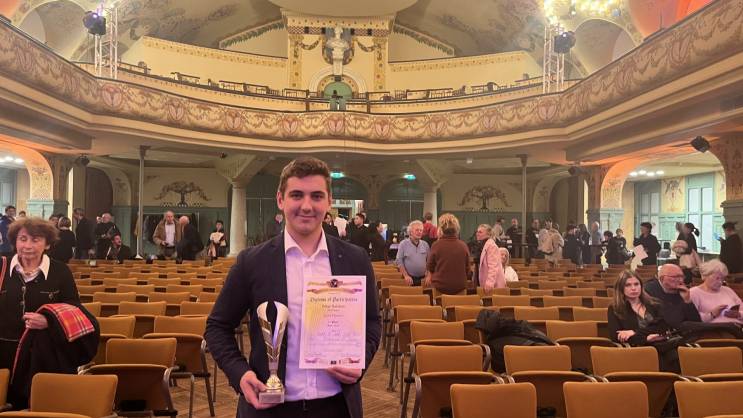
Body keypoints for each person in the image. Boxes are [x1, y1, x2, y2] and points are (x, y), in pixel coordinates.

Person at [204, 156, 380, 418]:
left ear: (329, 202)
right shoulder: (251, 262)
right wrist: (240, 374)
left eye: (317, 196)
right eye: (297, 195)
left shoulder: (355, 259)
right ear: (280, 200)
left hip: (337, 408)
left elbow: (372, 322)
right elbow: (217, 327)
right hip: (269, 409)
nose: (307, 206)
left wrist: (359, 361)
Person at [0, 217, 99, 408]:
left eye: (35, 239)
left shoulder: (61, 271)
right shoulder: (1, 267)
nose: (28, 245)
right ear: (15, 241)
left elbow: (74, 309)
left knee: (43, 406)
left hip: (45, 357)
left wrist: (49, 320)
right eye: (22, 239)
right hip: (3, 357)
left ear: (47, 244)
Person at [607, 270, 679, 373]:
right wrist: (646, 338)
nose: (633, 288)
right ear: (621, 288)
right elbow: (617, 336)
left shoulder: (654, 304)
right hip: (637, 349)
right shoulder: (615, 309)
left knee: (676, 358)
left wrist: (634, 332)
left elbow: (662, 326)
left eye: (636, 284)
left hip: (663, 345)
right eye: (628, 285)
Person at [644, 264, 701, 329]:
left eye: (682, 277)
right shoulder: (648, 291)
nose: (681, 280)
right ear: (662, 278)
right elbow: (670, 321)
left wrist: (687, 300)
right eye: (676, 277)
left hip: (683, 331)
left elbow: (696, 321)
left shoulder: (683, 291)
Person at [426, 213, 471, 295]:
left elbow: (430, 267)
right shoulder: (463, 245)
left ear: (441, 229)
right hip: (460, 287)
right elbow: (468, 269)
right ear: (456, 229)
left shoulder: (436, 245)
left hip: (440, 288)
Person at [689, 260, 742, 325]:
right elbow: (691, 319)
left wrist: (739, 314)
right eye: (717, 278)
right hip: (714, 329)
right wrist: (712, 314)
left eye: (722, 279)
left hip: (737, 327)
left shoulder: (728, 290)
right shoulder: (694, 293)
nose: (720, 282)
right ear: (705, 276)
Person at [395, 220, 430, 287]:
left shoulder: (425, 244)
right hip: (409, 279)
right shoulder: (403, 244)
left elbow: (430, 262)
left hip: (424, 280)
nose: (419, 232)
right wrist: (406, 275)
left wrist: (429, 275)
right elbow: (399, 261)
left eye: (421, 230)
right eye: (417, 230)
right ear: (410, 232)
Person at [476, 224, 505, 292]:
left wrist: (489, 282)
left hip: (492, 285)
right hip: (485, 282)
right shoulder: (482, 245)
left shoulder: (491, 246)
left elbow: (493, 266)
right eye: (477, 231)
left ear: (488, 234)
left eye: (480, 232)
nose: (477, 233)